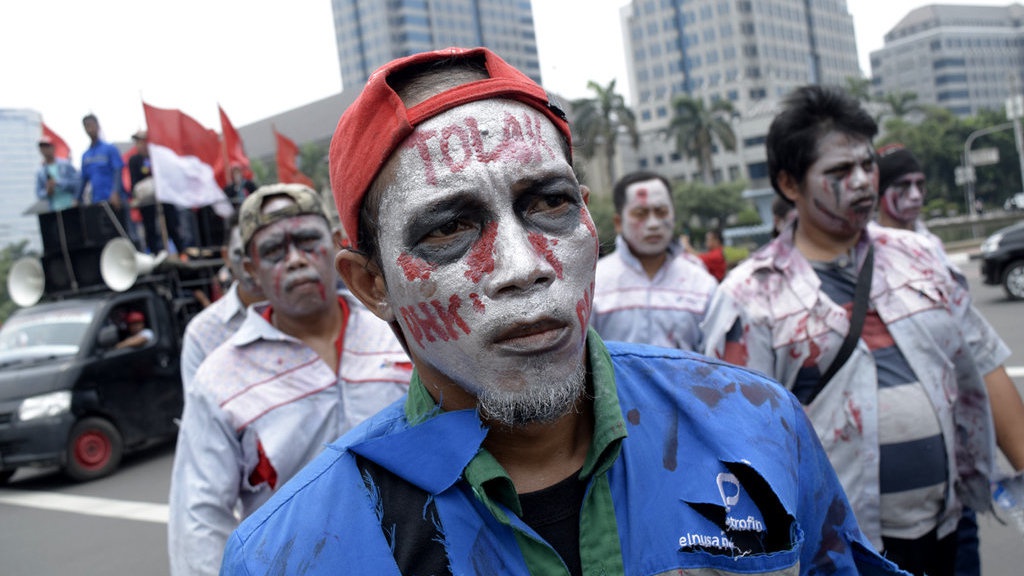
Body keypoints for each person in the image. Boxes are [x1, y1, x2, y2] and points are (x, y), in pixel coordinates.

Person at [220, 47, 903, 576]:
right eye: (448, 228)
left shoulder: (758, 426)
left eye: (548, 203)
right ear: (370, 284)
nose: (523, 266)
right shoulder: (289, 552)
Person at [702, 85, 1024, 576]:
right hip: (840, 552)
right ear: (790, 184)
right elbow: (740, 447)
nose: (862, 183)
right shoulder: (750, 296)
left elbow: (983, 365)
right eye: (838, 172)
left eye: (867, 165)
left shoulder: (921, 256)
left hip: (952, 531)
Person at [167, 183, 413, 576]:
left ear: (335, 244)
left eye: (307, 241)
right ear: (249, 270)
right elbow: (200, 518)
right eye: (273, 252)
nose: (296, 260)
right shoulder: (219, 380)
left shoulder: (397, 331)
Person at [876, 142, 1024, 576]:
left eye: (921, 184)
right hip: (873, 524)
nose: (916, 195)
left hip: (953, 503)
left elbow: (979, 358)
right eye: (903, 185)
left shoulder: (931, 252)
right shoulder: (840, 266)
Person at [591, 170, 717, 351]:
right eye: (641, 213)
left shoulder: (702, 285)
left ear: (673, 215)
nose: (653, 224)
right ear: (618, 222)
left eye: (661, 212)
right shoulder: (596, 284)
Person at [178, 212, 265, 393]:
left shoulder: (304, 314)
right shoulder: (202, 333)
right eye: (241, 254)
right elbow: (199, 414)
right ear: (226, 256)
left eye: (263, 251)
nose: (250, 265)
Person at [127, 130, 186, 255]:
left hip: (164, 197)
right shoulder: (134, 160)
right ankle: (154, 254)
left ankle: (181, 251)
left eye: (143, 141)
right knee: (150, 228)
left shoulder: (158, 157)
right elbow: (134, 184)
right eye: (138, 142)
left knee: (171, 224)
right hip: (147, 201)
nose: (141, 145)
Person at [35, 136, 80, 211]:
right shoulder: (40, 172)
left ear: (53, 148)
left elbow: (77, 184)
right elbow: (39, 194)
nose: (44, 150)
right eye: (42, 147)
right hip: (53, 209)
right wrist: (47, 191)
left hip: (70, 206)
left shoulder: (65, 164)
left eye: (47, 147)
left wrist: (58, 183)